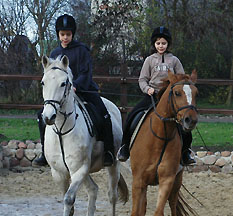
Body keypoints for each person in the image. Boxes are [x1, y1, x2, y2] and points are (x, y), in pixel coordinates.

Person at [34, 14, 115, 167]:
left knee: (103, 114)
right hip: (62, 94)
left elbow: (86, 72)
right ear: (58, 34)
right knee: (41, 116)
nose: (65, 37)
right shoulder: (54, 54)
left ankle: (108, 152)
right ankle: (45, 152)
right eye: (62, 34)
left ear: (72, 34)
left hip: (84, 90)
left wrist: (76, 85)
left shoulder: (82, 50)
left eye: (68, 34)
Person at [117, 26, 195, 165]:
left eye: (164, 43)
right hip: (152, 96)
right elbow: (142, 79)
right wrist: (147, 89)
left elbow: (182, 79)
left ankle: (185, 152)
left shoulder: (174, 60)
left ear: (168, 44)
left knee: (184, 122)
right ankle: (124, 147)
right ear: (154, 44)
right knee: (132, 116)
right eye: (158, 43)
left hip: (170, 98)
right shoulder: (150, 60)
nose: (161, 46)